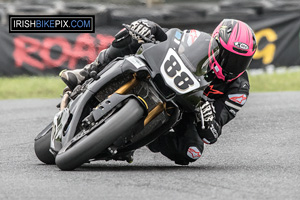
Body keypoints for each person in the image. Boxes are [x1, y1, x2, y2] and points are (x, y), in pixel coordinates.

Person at [60, 19, 257, 165]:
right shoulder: (198, 39)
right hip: (159, 72)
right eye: (229, 56)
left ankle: (137, 139)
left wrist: (207, 119)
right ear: (217, 43)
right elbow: (169, 35)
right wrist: (149, 27)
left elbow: (212, 133)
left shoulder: (238, 89)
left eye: (241, 60)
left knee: (192, 151)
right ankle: (88, 72)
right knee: (134, 32)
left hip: (186, 110)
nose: (233, 65)